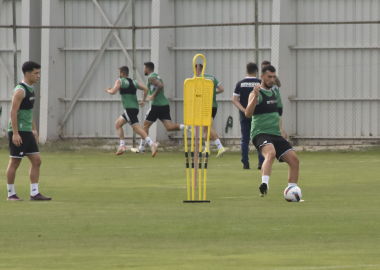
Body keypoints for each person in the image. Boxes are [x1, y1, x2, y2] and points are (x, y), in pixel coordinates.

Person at [245, 65, 299, 197]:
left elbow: (276, 114)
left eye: (274, 77)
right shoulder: (255, 93)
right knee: (271, 153)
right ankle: (265, 184)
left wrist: (281, 130)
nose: (272, 79)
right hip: (260, 133)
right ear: (262, 77)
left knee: (294, 160)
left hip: (275, 134)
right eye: (269, 77)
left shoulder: (274, 93)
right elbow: (247, 113)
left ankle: (292, 191)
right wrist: (255, 97)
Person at [6, 61, 51, 201]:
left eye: (39, 73)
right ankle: (11, 194)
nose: (38, 76)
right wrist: (15, 133)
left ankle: (34, 193)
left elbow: (28, 112)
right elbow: (13, 112)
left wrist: (34, 130)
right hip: (18, 131)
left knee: (37, 161)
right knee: (15, 162)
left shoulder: (31, 89)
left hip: (27, 132)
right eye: (36, 73)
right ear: (27, 74)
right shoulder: (20, 90)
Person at [105, 66, 158, 157]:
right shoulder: (134, 82)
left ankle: (151, 144)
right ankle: (122, 146)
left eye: (119, 72)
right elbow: (146, 89)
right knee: (118, 124)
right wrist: (143, 100)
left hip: (129, 109)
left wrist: (108, 90)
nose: (119, 74)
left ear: (121, 73)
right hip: (134, 108)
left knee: (137, 129)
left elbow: (113, 92)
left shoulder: (120, 81)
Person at [138, 62, 189, 153]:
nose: (144, 70)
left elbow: (160, 85)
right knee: (169, 127)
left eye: (144, 68)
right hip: (164, 105)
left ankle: (142, 148)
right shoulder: (157, 76)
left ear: (148, 69)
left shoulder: (151, 78)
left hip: (157, 106)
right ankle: (186, 126)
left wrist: (153, 95)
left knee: (145, 125)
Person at [232, 62, 261, 169]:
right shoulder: (260, 83)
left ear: (246, 71)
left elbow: (235, 100)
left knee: (245, 139)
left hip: (244, 116)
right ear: (256, 71)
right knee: (260, 138)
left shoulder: (240, 84)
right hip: (258, 115)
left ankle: (245, 163)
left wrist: (245, 110)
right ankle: (261, 163)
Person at [195, 64, 226, 157]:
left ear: (197, 70)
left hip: (205, 106)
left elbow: (197, 94)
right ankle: (207, 150)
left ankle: (220, 148)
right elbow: (221, 89)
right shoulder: (212, 78)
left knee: (209, 128)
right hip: (213, 106)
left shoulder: (199, 79)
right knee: (205, 128)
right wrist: (213, 93)